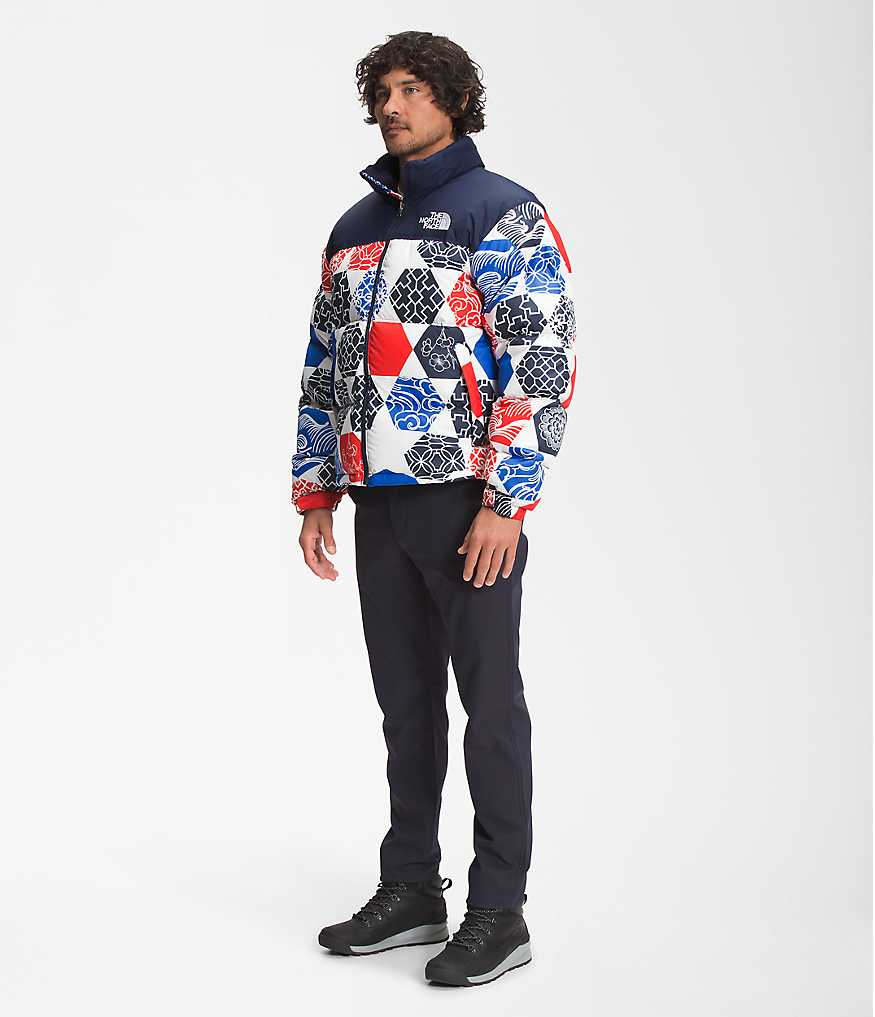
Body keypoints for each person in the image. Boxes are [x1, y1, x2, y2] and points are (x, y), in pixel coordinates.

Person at [291, 30, 577, 987]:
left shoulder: (503, 211)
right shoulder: (353, 227)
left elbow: (540, 357)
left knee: (488, 705)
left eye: (412, 88)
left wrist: (508, 500)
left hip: (466, 501)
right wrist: (316, 489)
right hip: (376, 501)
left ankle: (500, 908)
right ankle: (411, 886)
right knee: (405, 706)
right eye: (381, 90)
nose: (391, 105)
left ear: (452, 98)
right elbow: (323, 366)